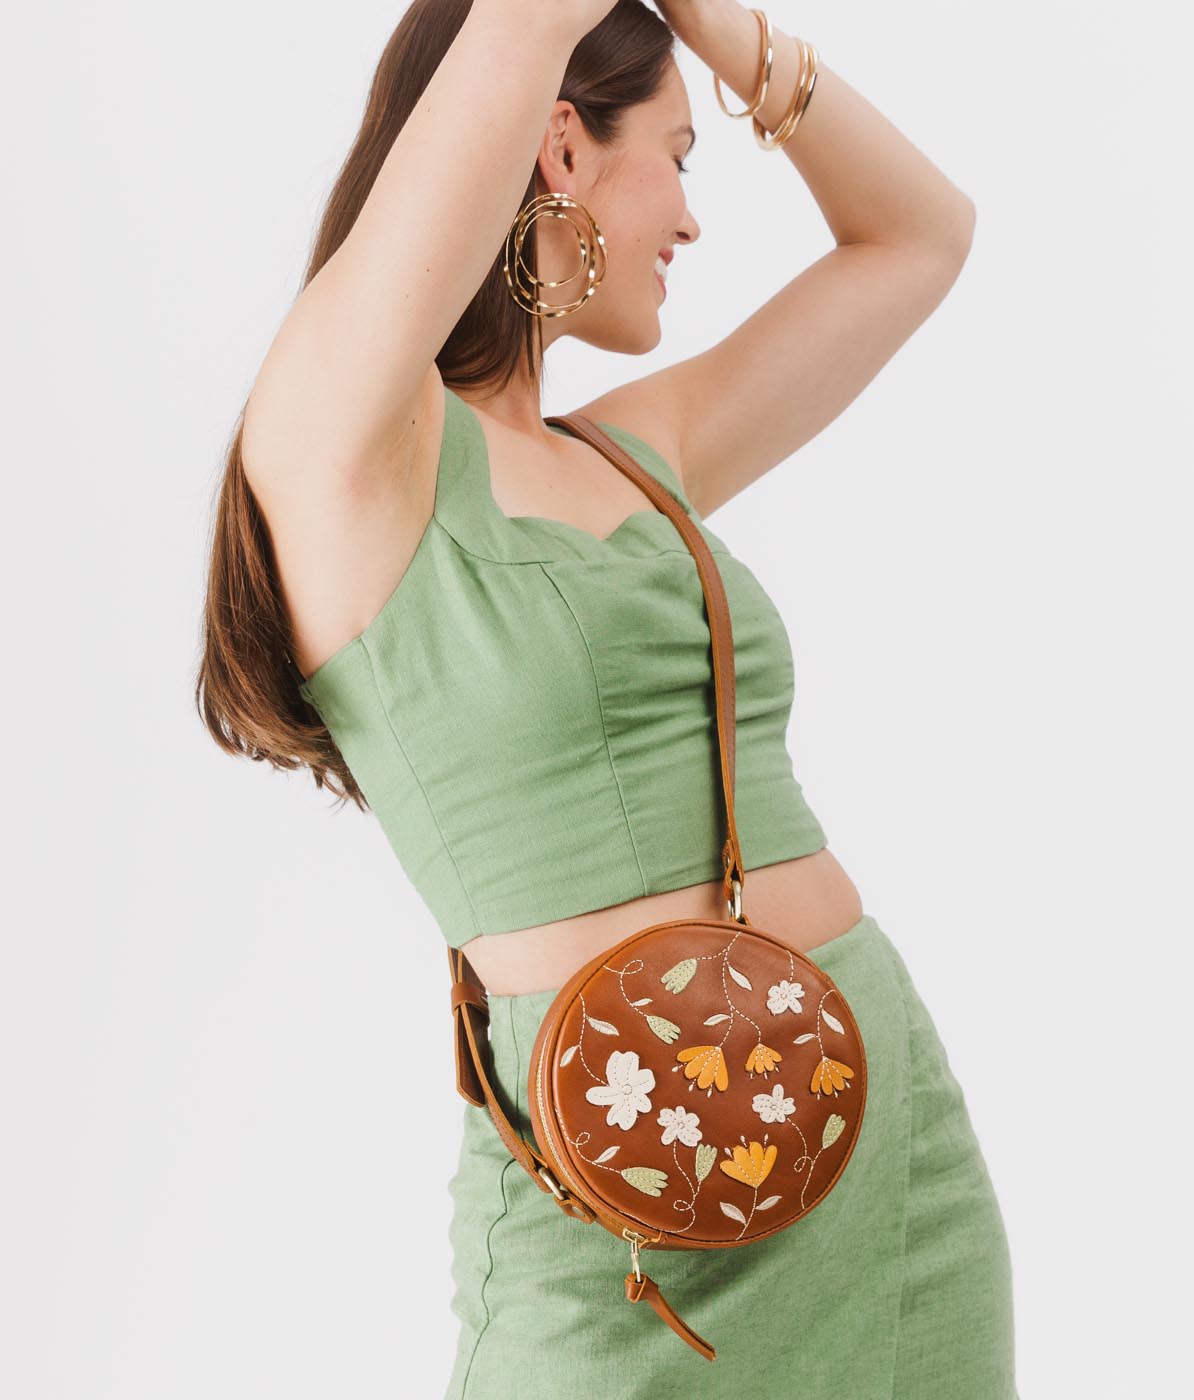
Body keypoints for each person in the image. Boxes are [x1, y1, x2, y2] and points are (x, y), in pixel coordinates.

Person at [197, 1, 1016, 1394]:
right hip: (613, 1218)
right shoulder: (345, 449)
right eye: (680, 157)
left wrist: (721, 28)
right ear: (561, 146)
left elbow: (921, 236)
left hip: (883, 1167)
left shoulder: (640, 453)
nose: (692, 219)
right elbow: (522, 20)